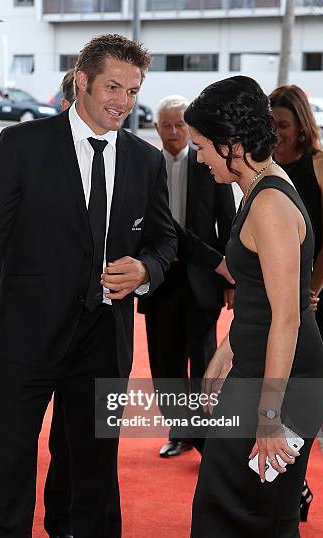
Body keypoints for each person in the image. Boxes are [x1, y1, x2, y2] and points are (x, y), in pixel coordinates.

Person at [0, 33, 177, 538]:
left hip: (103, 343)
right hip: (24, 341)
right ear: (82, 81)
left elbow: (167, 239)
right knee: (7, 475)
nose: (122, 101)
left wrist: (144, 269)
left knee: (97, 476)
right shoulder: (23, 146)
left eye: (133, 90)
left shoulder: (146, 160)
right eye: (112, 88)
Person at [185, 76, 323, 538]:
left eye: (203, 147)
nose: (201, 159)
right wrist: (225, 355)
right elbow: (260, 298)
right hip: (261, 377)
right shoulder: (257, 190)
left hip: (285, 389)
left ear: (232, 144)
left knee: (272, 530)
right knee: (219, 510)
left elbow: (288, 318)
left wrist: (269, 416)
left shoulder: (269, 204)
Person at [0, 68, 79, 538]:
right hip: (19, 324)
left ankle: (64, 523)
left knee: (73, 443)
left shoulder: (125, 155)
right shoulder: (23, 144)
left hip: (86, 331)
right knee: (8, 451)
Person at [138, 94, 235, 458]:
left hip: (202, 277)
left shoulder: (206, 161)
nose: (175, 132)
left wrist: (229, 281)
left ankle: (206, 436)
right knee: (166, 363)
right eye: (168, 125)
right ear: (157, 127)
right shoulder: (147, 165)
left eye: (181, 125)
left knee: (205, 358)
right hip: (161, 277)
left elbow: (227, 220)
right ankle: (179, 430)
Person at [270, 85, 323, 520]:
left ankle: (293, 488)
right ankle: (285, 484)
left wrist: (309, 294)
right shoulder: (268, 167)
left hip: (322, 290)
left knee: (306, 396)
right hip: (281, 291)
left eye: (283, 124)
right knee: (275, 394)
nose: (277, 133)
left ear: (302, 124)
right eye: (272, 125)